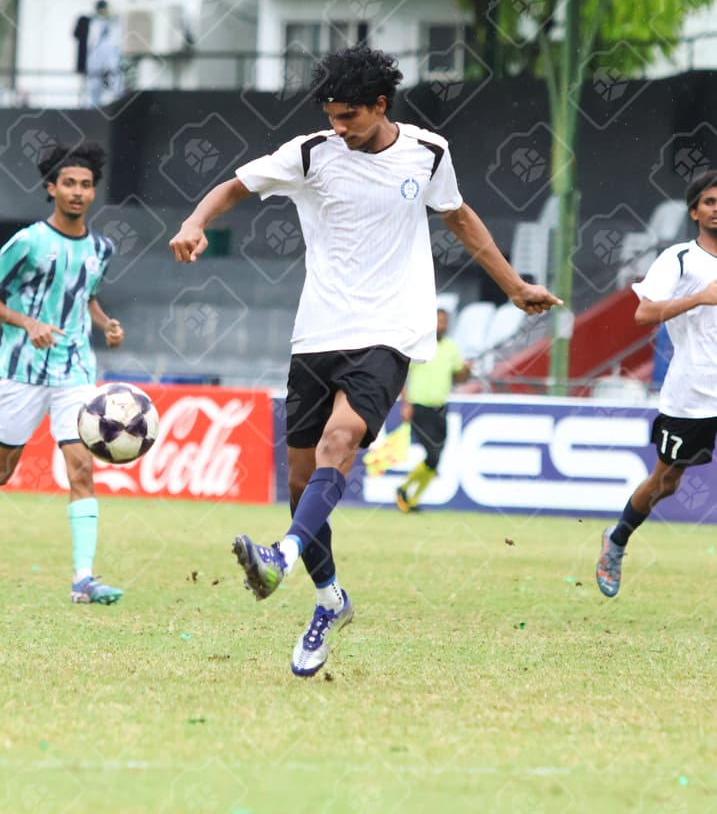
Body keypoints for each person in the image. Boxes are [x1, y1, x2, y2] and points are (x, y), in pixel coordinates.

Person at [169, 44, 563, 676]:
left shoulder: (428, 153)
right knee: (301, 484)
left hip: (390, 330)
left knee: (340, 442)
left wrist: (514, 286)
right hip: (318, 332)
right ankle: (330, 600)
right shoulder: (310, 153)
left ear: (381, 106)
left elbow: (461, 219)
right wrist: (194, 222)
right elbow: (234, 186)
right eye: (331, 113)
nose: (338, 126)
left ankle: (279, 559)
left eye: (349, 115)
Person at [0, 142, 125, 604]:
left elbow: (85, 295)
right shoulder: (29, 242)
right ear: (51, 188)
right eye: (68, 183)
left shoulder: (101, 248)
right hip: (20, 371)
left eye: (85, 185)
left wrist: (105, 322)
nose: (77, 192)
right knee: (4, 471)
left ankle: (84, 580)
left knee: (81, 469)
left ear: (93, 192)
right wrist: (26, 321)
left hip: (74, 371)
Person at [596, 169, 717, 598]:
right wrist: (700, 297)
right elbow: (644, 315)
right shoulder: (679, 260)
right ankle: (618, 539)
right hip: (693, 395)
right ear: (694, 211)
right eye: (710, 202)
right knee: (667, 482)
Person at [395, 307, 470, 512]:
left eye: (444, 321)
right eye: (438, 321)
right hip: (420, 407)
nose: (441, 325)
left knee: (436, 458)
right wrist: (406, 404)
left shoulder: (452, 348)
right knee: (432, 454)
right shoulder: (420, 347)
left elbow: (459, 378)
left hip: (440, 408)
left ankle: (412, 499)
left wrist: (466, 370)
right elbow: (403, 375)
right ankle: (404, 489)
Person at [86, 0, 123, 107]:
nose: (102, 11)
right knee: (94, 81)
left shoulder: (114, 21)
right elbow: (91, 41)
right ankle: (93, 106)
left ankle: (117, 103)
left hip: (111, 51)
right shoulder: (93, 22)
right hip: (96, 52)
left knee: (115, 78)